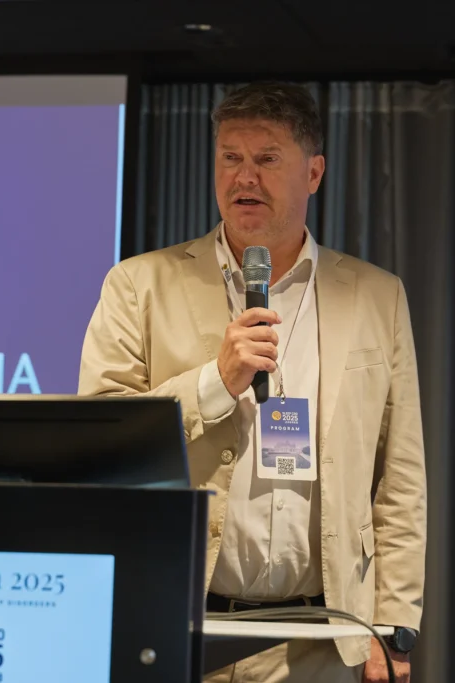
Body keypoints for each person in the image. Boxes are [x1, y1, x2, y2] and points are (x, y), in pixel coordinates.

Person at [78, 81, 426, 683]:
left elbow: (400, 477)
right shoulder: (138, 284)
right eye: (230, 158)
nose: (245, 177)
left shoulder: (377, 295)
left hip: (322, 639)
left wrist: (394, 626)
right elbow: (102, 441)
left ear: (313, 173)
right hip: (180, 627)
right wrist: (215, 381)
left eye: (267, 159)